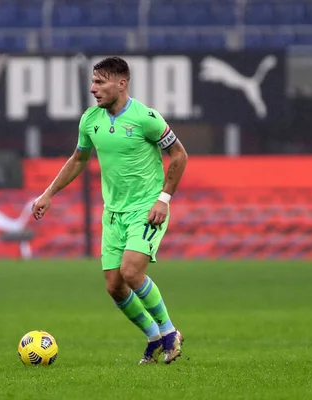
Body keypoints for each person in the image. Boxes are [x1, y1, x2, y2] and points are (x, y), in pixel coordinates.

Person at [31, 57, 189, 365]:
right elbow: (78, 159)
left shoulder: (147, 118)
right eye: (92, 82)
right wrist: (48, 193)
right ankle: (153, 338)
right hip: (113, 213)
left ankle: (170, 333)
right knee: (115, 287)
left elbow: (179, 155)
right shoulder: (90, 120)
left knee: (131, 272)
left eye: (100, 82)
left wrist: (164, 199)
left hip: (146, 209)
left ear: (121, 83)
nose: (93, 89)